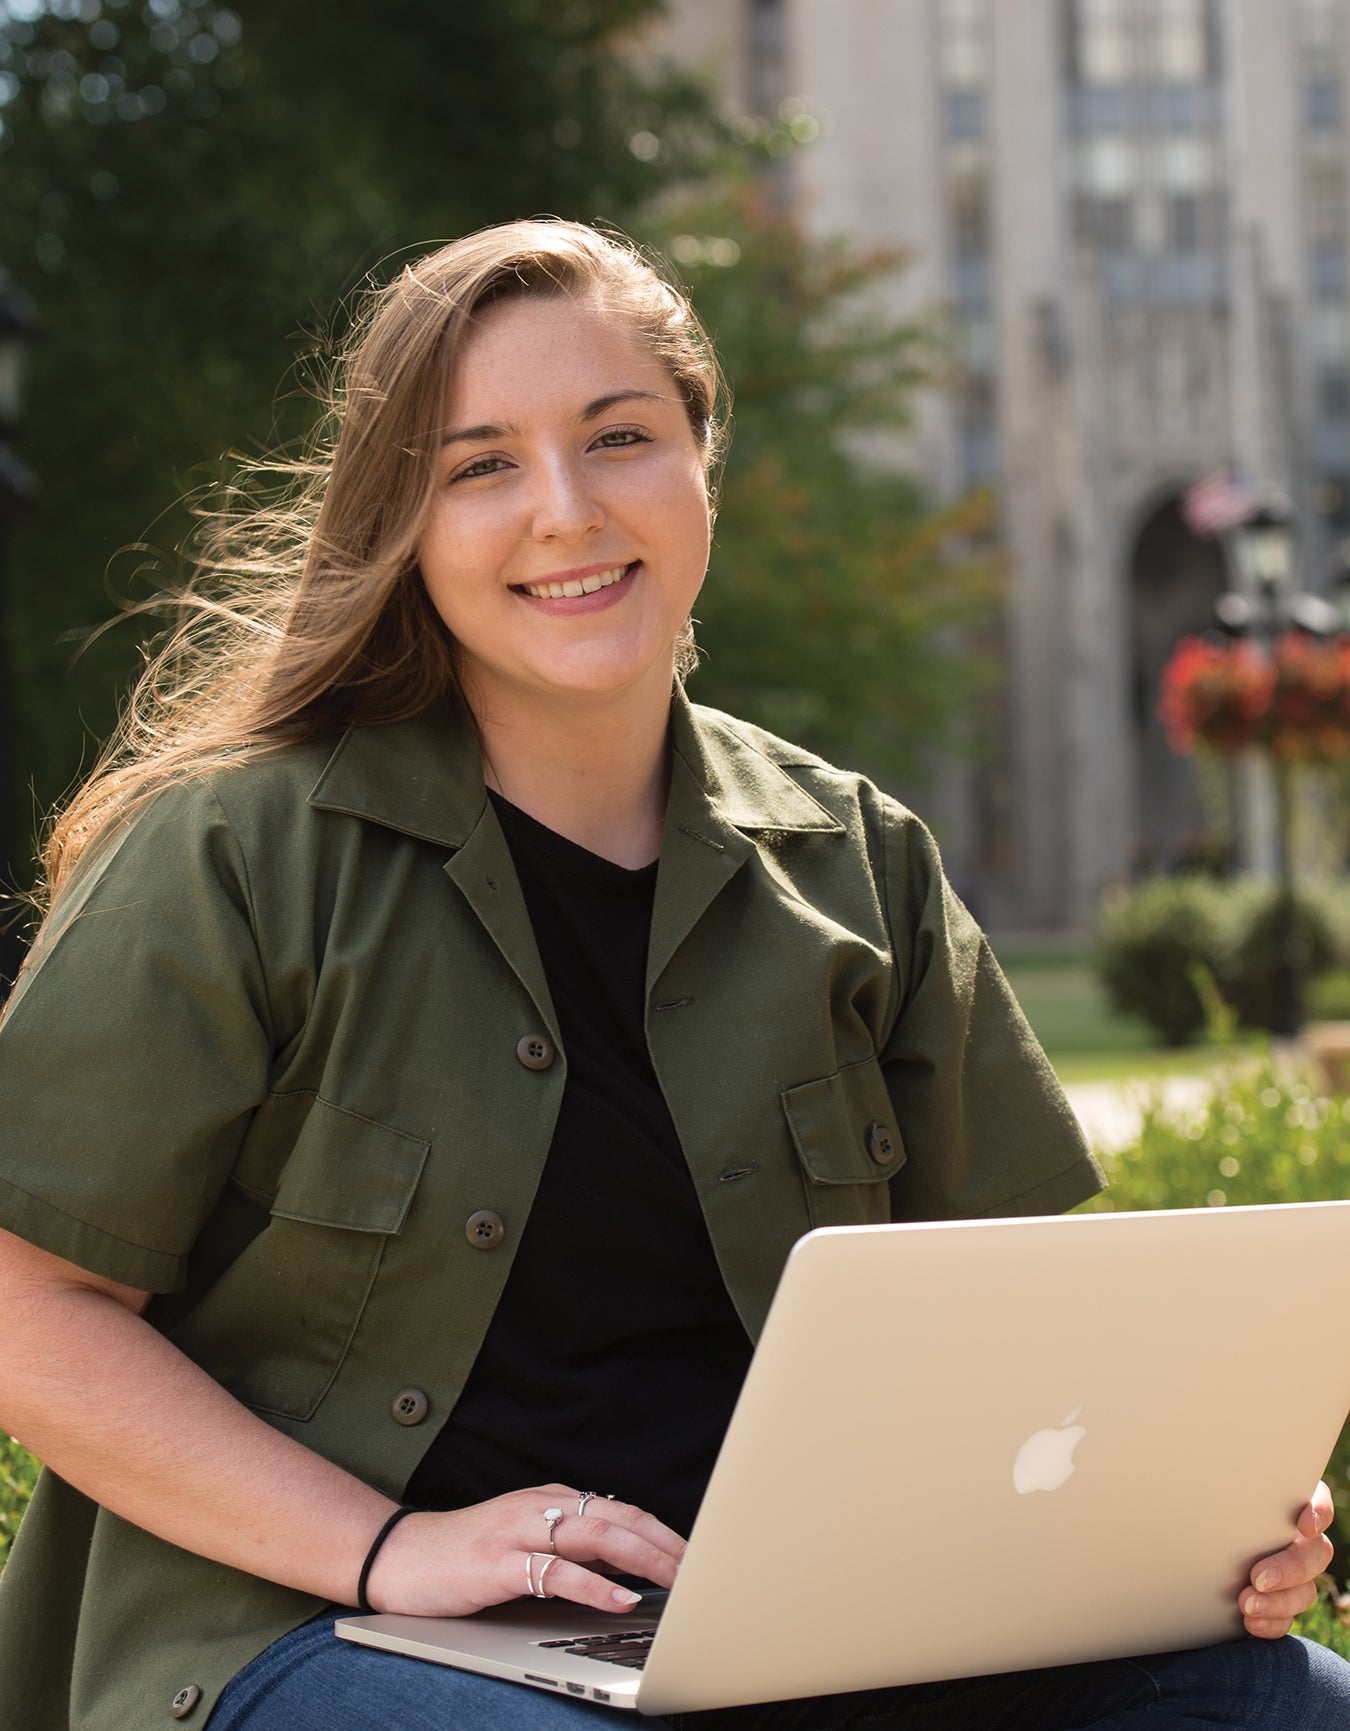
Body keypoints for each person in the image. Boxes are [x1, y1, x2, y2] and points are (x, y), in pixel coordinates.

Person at [0, 220, 1344, 1731]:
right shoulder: (233, 854)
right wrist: (387, 1551)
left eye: (619, 437)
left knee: (1279, 1702)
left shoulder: (857, 864)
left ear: (703, 459)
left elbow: (1043, 1319)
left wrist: (1197, 1504)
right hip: (325, 1628)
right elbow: (25, 1297)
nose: (565, 513)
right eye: (479, 465)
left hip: (804, 1626)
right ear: (405, 520)